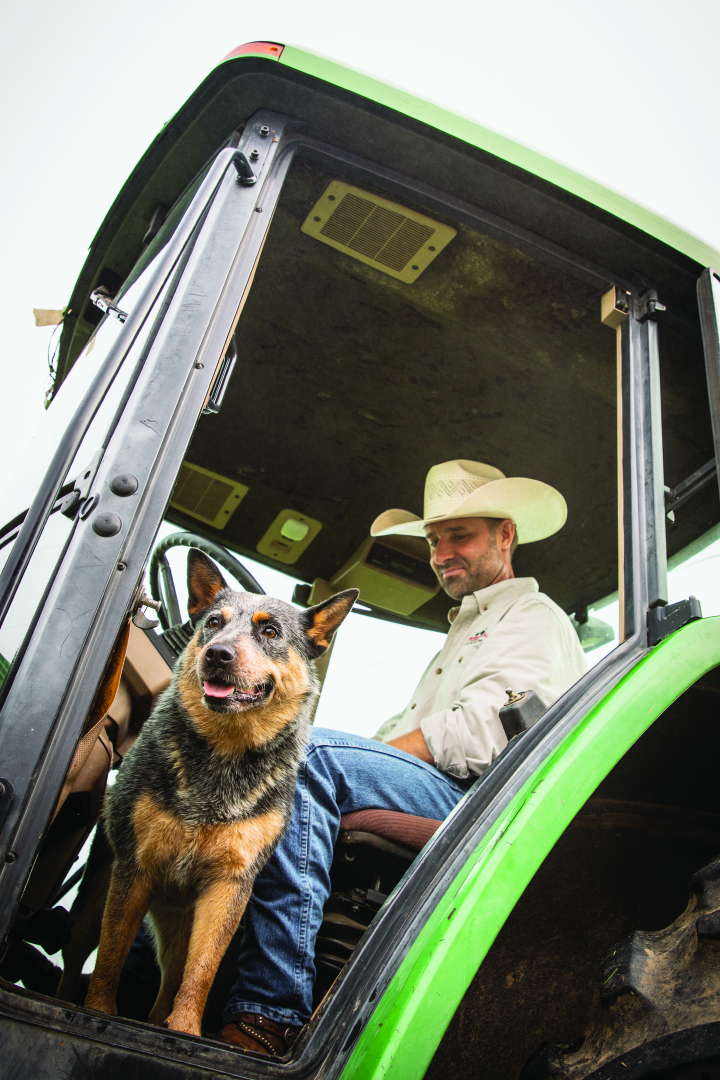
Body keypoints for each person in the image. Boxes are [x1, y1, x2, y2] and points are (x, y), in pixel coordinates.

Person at [220, 459, 586, 1052]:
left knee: (304, 756)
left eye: (459, 536)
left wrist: (357, 758)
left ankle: (269, 1012)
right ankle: (149, 986)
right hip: (439, 783)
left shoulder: (533, 619)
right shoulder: (465, 631)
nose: (441, 553)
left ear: (506, 535)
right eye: (435, 540)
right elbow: (407, 730)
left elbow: (486, 734)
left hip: (480, 805)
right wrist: (367, 751)